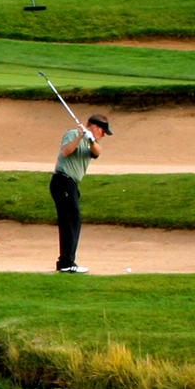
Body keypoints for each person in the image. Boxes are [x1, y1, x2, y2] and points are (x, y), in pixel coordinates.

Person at [50, 112, 112, 273]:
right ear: (96, 127)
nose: (103, 135)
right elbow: (65, 151)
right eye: (103, 132)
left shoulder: (94, 142)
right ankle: (66, 263)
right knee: (71, 220)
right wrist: (80, 136)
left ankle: (66, 261)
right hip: (62, 181)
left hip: (71, 185)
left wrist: (90, 138)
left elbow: (97, 152)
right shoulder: (73, 134)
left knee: (73, 220)